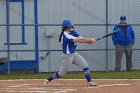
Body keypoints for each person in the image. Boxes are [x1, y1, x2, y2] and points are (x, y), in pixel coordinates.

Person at [44, 19, 97, 86]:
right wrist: (90, 39)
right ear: (65, 27)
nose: (70, 28)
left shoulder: (72, 31)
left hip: (73, 54)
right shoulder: (65, 35)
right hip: (67, 56)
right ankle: (48, 79)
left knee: (85, 65)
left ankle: (90, 82)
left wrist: (88, 41)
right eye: (69, 27)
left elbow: (80, 37)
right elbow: (78, 40)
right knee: (62, 73)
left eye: (71, 26)